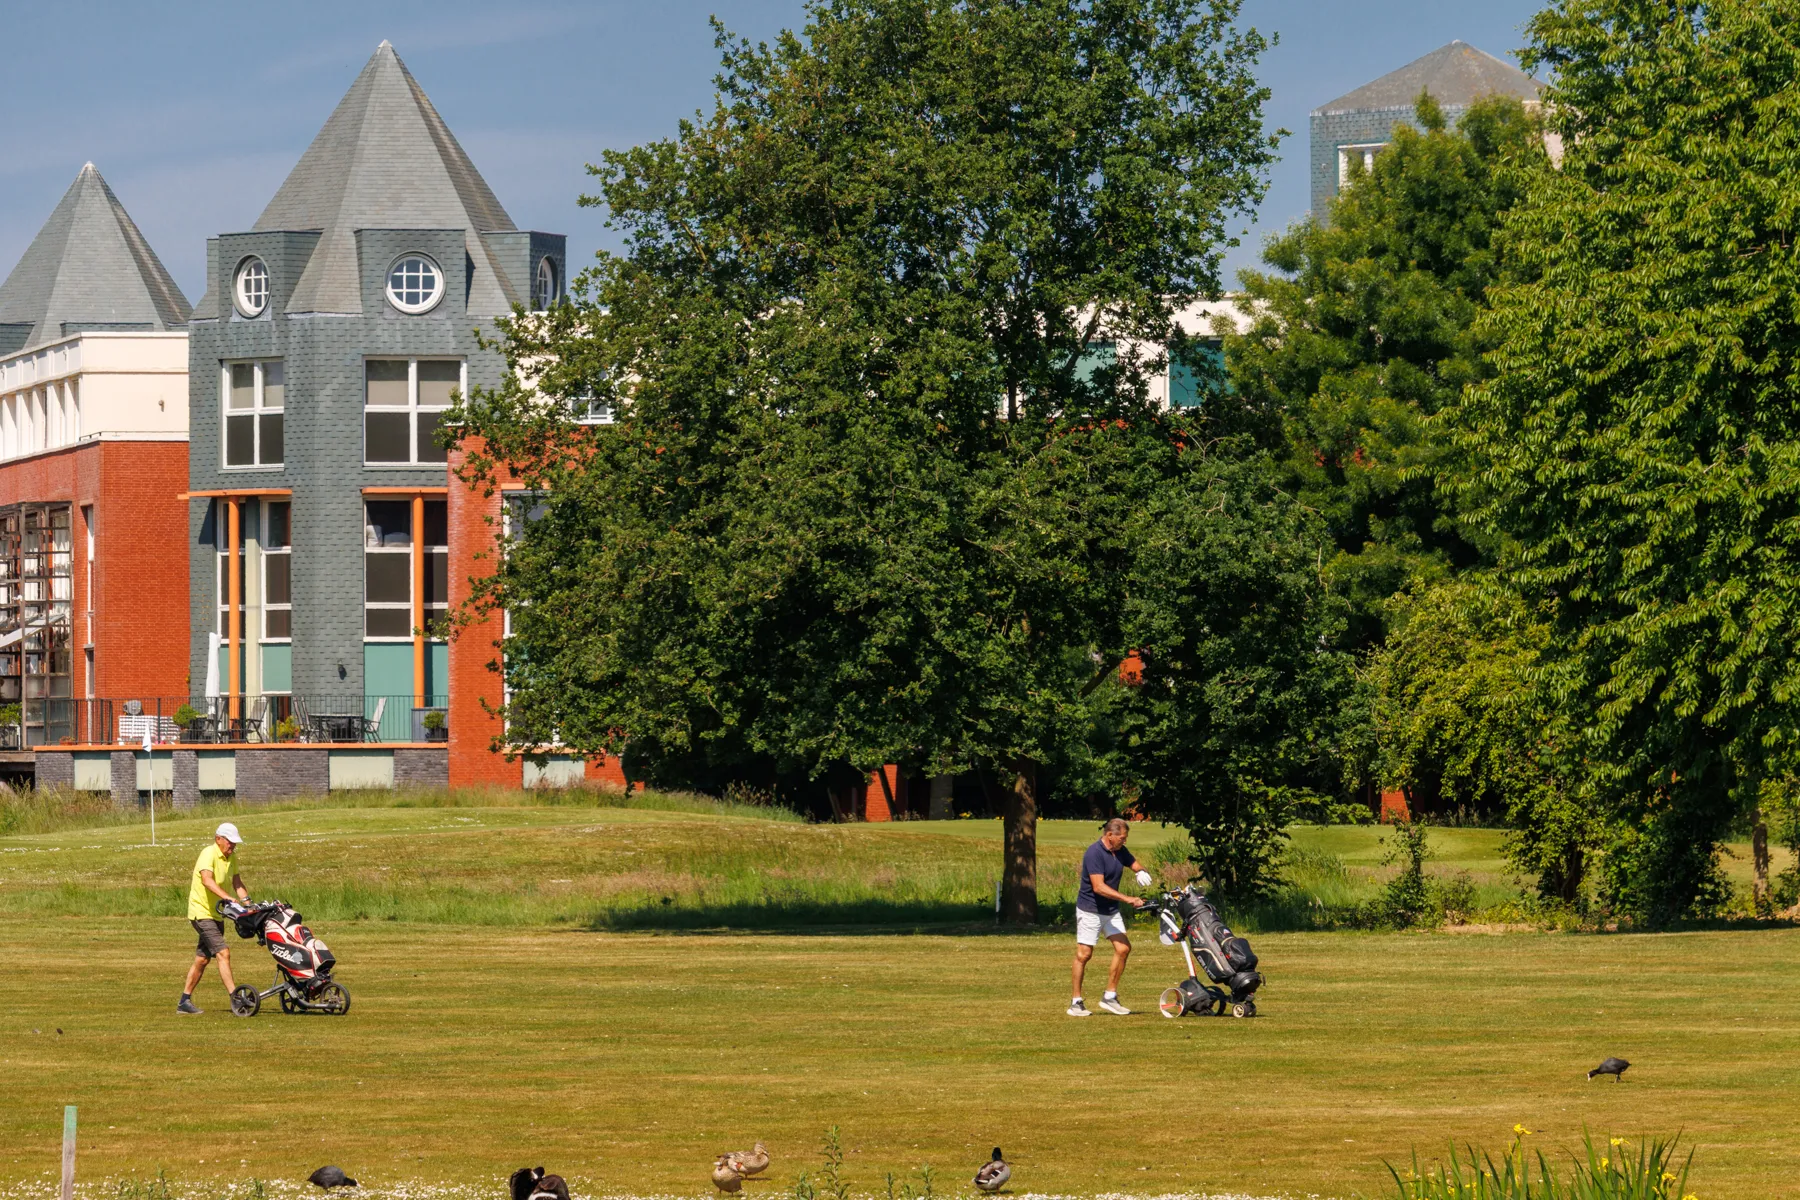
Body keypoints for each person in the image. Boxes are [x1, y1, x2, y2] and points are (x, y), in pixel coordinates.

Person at [1068, 817, 1153, 1016]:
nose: (1124, 841)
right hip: (1090, 910)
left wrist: (1140, 872)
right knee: (1084, 955)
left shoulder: (1119, 851)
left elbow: (1134, 864)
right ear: (1109, 835)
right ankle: (1076, 1002)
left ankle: (1109, 997)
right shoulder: (1094, 853)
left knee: (1123, 948)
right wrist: (1128, 899)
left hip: (1110, 911)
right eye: (1122, 838)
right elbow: (1098, 887)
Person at [179, 822, 249, 1015]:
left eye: (235, 843)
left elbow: (237, 882)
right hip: (201, 913)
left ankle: (184, 1002)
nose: (232, 846)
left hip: (217, 914)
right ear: (219, 839)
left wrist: (249, 904)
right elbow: (206, 880)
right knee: (223, 953)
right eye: (230, 842)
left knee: (202, 959)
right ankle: (235, 998)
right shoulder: (208, 853)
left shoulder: (232, 857)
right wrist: (226, 897)